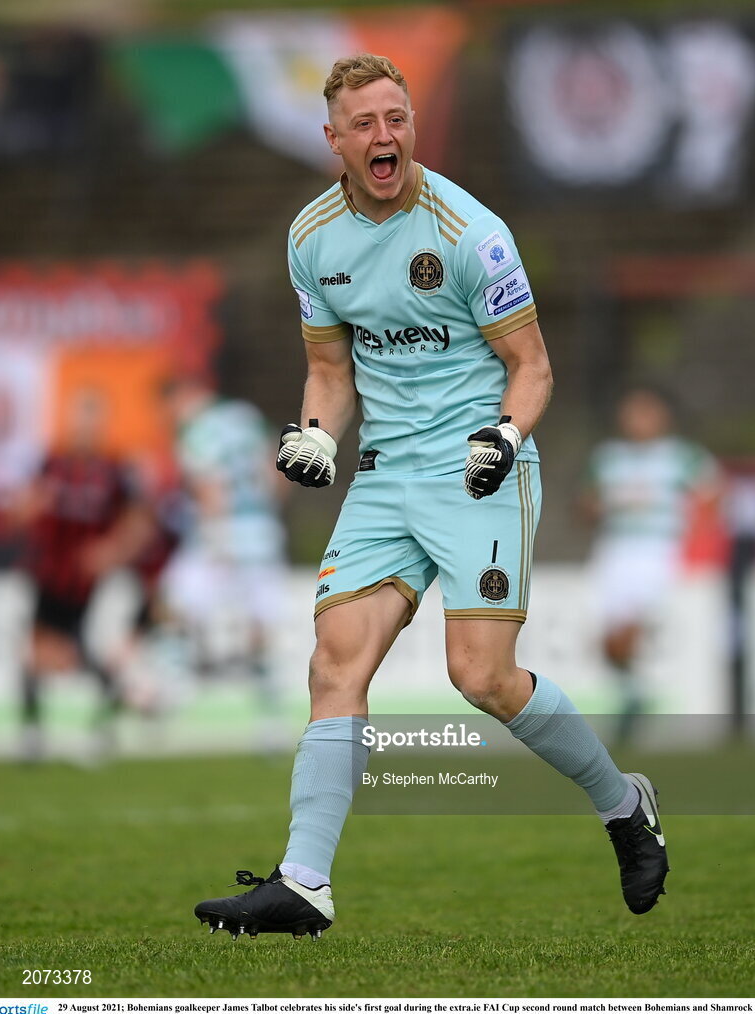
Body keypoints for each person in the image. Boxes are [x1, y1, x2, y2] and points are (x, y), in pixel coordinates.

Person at [194, 54, 669, 941]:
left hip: (477, 468)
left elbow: (532, 367)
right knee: (334, 662)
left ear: (412, 125)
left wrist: (506, 436)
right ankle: (304, 883)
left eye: (397, 118)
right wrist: (315, 435)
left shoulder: (470, 233)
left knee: (481, 677)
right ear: (333, 139)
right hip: (385, 478)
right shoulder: (311, 236)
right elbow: (329, 371)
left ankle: (622, 806)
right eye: (365, 124)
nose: (385, 136)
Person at [15, 387, 151, 762]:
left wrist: (113, 550)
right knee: (34, 655)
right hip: (50, 575)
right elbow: (19, 511)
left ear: (101, 424)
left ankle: (100, 731)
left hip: (90, 583)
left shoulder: (114, 470)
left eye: (93, 419)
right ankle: (32, 734)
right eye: (80, 418)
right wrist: (29, 506)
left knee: (96, 654)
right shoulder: (51, 463)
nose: (85, 427)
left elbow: (141, 521)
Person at [580, 385, 722, 742]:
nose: (638, 419)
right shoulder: (608, 457)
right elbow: (586, 502)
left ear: (662, 416)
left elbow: (715, 495)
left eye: (646, 411)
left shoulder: (682, 456)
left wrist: (696, 536)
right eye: (632, 411)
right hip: (614, 548)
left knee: (630, 632)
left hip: (656, 549)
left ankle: (636, 702)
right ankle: (635, 693)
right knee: (607, 641)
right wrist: (596, 508)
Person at [159, 373, 288, 700]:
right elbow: (281, 466)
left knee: (175, 601)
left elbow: (210, 488)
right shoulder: (246, 416)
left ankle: (177, 684)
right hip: (262, 529)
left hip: (224, 531)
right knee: (259, 621)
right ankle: (269, 707)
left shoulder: (196, 430)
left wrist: (218, 534)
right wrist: (265, 510)